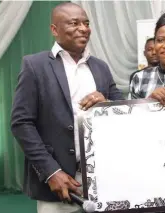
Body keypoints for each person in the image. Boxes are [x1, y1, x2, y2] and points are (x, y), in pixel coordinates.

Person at [10, 2, 123, 213]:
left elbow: (121, 114)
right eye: (74, 23)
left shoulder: (101, 67)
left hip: (102, 180)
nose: (84, 28)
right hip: (60, 183)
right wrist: (51, 172)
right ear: (55, 30)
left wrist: (106, 104)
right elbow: (21, 123)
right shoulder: (35, 65)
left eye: (86, 23)